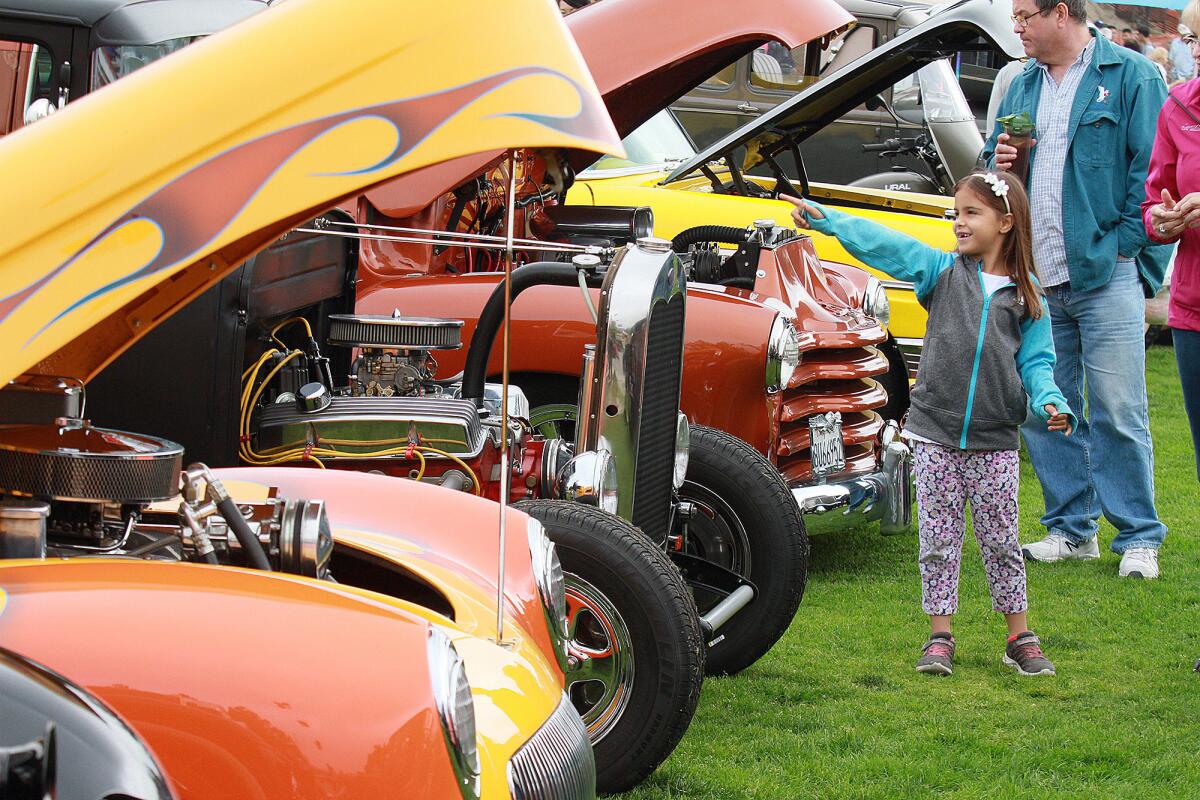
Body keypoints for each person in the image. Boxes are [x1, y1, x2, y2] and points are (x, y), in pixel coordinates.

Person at [782, 173, 1075, 678]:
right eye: (956, 212)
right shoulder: (941, 272)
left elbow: (1038, 364)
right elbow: (886, 245)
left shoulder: (1028, 299)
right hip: (933, 435)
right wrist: (828, 220)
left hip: (995, 443)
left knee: (1002, 541)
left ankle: (1018, 636)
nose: (959, 222)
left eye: (971, 213)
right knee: (939, 541)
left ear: (1006, 223)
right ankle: (940, 637)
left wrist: (1049, 399)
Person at [985, 0, 1170, 579]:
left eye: (1023, 16)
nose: (1016, 28)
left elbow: (1154, 168)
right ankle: (1071, 530)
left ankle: (1138, 537)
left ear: (1060, 12)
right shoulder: (1019, 84)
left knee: (1119, 408)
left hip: (1104, 271)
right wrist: (1003, 160)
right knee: (1046, 409)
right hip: (1036, 275)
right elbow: (997, 171)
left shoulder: (1133, 76)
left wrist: (1125, 245)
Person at [1143, 0, 1200, 483]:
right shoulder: (1177, 106)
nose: (1196, 51)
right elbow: (1153, 196)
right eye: (1193, 38)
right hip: (1193, 309)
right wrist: (1161, 220)